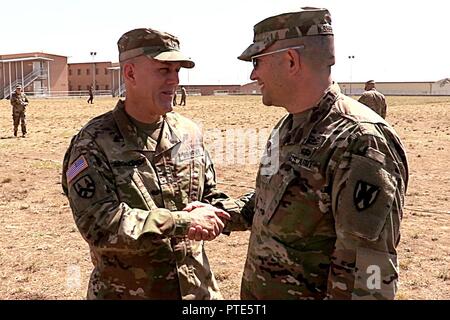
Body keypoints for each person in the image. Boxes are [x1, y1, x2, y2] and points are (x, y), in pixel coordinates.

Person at [206, 7, 409, 300]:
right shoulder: (287, 126)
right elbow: (266, 202)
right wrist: (220, 214)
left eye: (257, 61)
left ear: (290, 61)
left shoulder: (361, 141)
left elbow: (369, 274)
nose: (253, 73)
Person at [61, 27, 230, 300]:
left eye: (177, 71)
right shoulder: (93, 142)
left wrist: (220, 211)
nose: (174, 80)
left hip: (197, 293)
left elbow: (208, 195)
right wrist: (183, 222)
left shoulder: (188, 132)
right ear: (130, 73)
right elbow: (98, 225)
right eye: (164, 70)